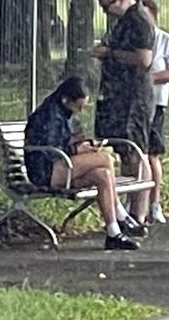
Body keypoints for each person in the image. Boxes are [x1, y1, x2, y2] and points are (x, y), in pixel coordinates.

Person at [25, 77, 139, 250]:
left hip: (61, 166)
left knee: (103, 175)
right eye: (78, 106)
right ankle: (121, 214)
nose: (78, 111)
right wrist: (80, 149)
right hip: (45, 170)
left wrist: (85, 147)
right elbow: (52, 148)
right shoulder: (49, 115)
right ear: (66, 99)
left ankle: (113, 232)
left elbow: (68, 143)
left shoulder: (63, 112)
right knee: (106, 159)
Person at [92, 0, 154, 227]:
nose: (105, 12)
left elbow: (144, 58)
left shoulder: (138, 20)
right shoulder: (121, 22)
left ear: (119, 0)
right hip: (117, 94)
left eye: (106, 7)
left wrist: (111, 54)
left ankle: (139, 212)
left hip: (134, 96)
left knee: (137, 151)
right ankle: (129, 210)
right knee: (125, 150)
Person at [141, 0, 169, 224]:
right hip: (134, 106)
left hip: (155, 103)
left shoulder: (167, 41)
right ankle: (135, 202)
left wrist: (149, 78)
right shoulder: (133, 41)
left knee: (152, 154)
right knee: (134, 154)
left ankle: (154, 203)